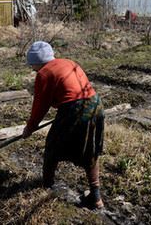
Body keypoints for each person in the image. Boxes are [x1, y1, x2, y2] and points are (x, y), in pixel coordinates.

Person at [22, 41, 105, 209]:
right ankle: (96, 198)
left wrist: (29, 128)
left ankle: (46, 186)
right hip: (96, 104)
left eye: (32, 65)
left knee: (52, 146)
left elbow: (40, 106)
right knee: (91, 152)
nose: (32, 69)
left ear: (37, 62)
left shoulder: (44, 73)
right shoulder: (69, 63)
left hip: (74, 110)